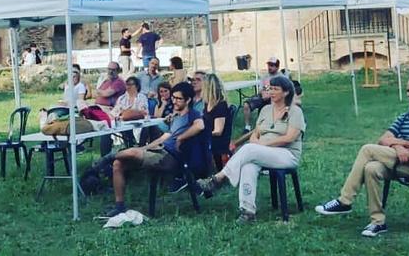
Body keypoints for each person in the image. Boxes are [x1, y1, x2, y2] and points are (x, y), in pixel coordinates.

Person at [315, 76, 409, 237]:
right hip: (401, 160)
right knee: (371, 168)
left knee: (367, 149)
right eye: (408, 90)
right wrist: (398, 147)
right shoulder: (406, 116)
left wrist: (404, 143)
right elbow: (383, 139)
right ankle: (378, 222)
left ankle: (345, 200)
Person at [197, 75, 303, 223]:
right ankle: (248, 211)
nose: (271, 92)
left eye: (275, 89)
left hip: (287, 154)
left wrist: (263, 145)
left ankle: (218, 178)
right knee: (248, 165)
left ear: (285, 92)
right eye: (269, 88)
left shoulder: (295, 111)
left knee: (249, 149)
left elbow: (289, 138)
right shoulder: (266, 110)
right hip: (262, 152)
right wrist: (258, 145)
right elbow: (255, 135)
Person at [104, 82, 204, 218]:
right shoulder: (175, 116)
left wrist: (181, 138)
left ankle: (104, 160)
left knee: (131, 152)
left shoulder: (193, 114)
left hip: (171, 158)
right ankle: (119, 206)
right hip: (160, 151)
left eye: (178, 98)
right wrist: (144, 148)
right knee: (118, 164)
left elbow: (200, 126)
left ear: (188, 100)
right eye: (173, 97)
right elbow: (163, 137)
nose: (174, 101)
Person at [242, 56, 289, 131]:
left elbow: (284, 92)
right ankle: (247, 127)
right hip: (263, 96)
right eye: (268, 65)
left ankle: (273, 125)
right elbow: (261, 89)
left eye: (272, 65)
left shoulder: (282, 78)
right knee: (246, 105)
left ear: (277, 67)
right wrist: (263, 93)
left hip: (275, 98)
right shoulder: (265, 76)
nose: (269, 67)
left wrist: (270, 95)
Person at [202, 74, 229, 171]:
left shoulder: (220, 105)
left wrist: (203, 134)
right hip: (209, 137)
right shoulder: (206, 103)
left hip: (218, 142)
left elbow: (218, 131)